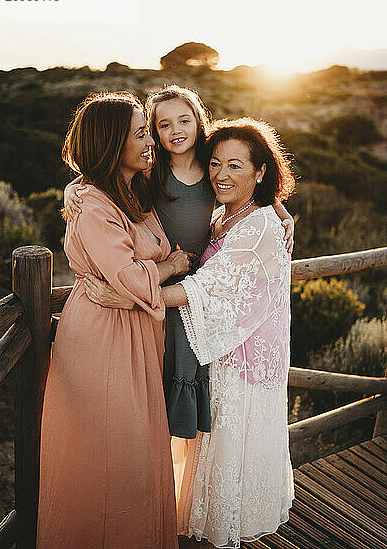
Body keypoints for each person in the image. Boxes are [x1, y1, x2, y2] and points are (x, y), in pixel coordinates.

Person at [82, 117, 296, 548]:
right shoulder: (224, 216)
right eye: (215, 163)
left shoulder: (261, 227)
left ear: (261, 172)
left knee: (231, 446)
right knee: (211, 444)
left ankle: (224, 527)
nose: (221, 174)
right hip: (223, 351)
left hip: (245, 358)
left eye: (237, 166)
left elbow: (209, 287)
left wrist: (133, 298)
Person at [65, 86, 295, 450]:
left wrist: (283, 215)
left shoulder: (210, 165)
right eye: (163, 125)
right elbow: (107, 171)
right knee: (157, 373)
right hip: (156, 281)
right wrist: (72, 188)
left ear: (199, 122)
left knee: (190, 372)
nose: (176, 131)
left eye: (184, 121)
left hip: (196, 285)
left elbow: (253, 181)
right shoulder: (151, 171)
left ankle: (183, 461)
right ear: (153, 132)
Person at [37, 92, 192, 549]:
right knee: (112, 455)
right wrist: (171, 267)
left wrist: (279, 207)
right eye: (142, 133)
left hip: (137, 330)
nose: (152, 141)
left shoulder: (132, 188)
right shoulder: (94, 204)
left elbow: (233, 157)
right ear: (111, 144)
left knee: (137, 452)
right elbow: (123, 276)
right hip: (103, 337)